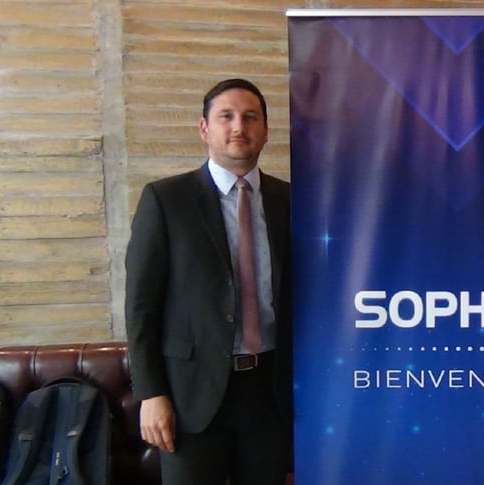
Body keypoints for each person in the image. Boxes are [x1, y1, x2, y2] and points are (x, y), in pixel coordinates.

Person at [125, 78, 292, 485]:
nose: (239, 127)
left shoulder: (291, 201)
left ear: (265, 131)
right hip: (191, 396)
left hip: (270, 393)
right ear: (204, 128)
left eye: (250, 117)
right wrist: (151, 393)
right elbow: (141, 306)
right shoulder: (166, 200)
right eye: (226, 116)